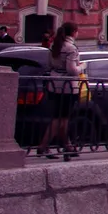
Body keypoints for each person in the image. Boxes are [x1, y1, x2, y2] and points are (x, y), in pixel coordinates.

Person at [37, 22, 81, 158]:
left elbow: (50, 65)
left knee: (63, 118)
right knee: (60, 118)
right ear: (74, 32)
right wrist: (82, 67)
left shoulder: (54, 45)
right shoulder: (71, 48)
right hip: (67, 87)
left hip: (54, 85)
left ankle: (67, 145)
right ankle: (43, 146)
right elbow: (72, 70)